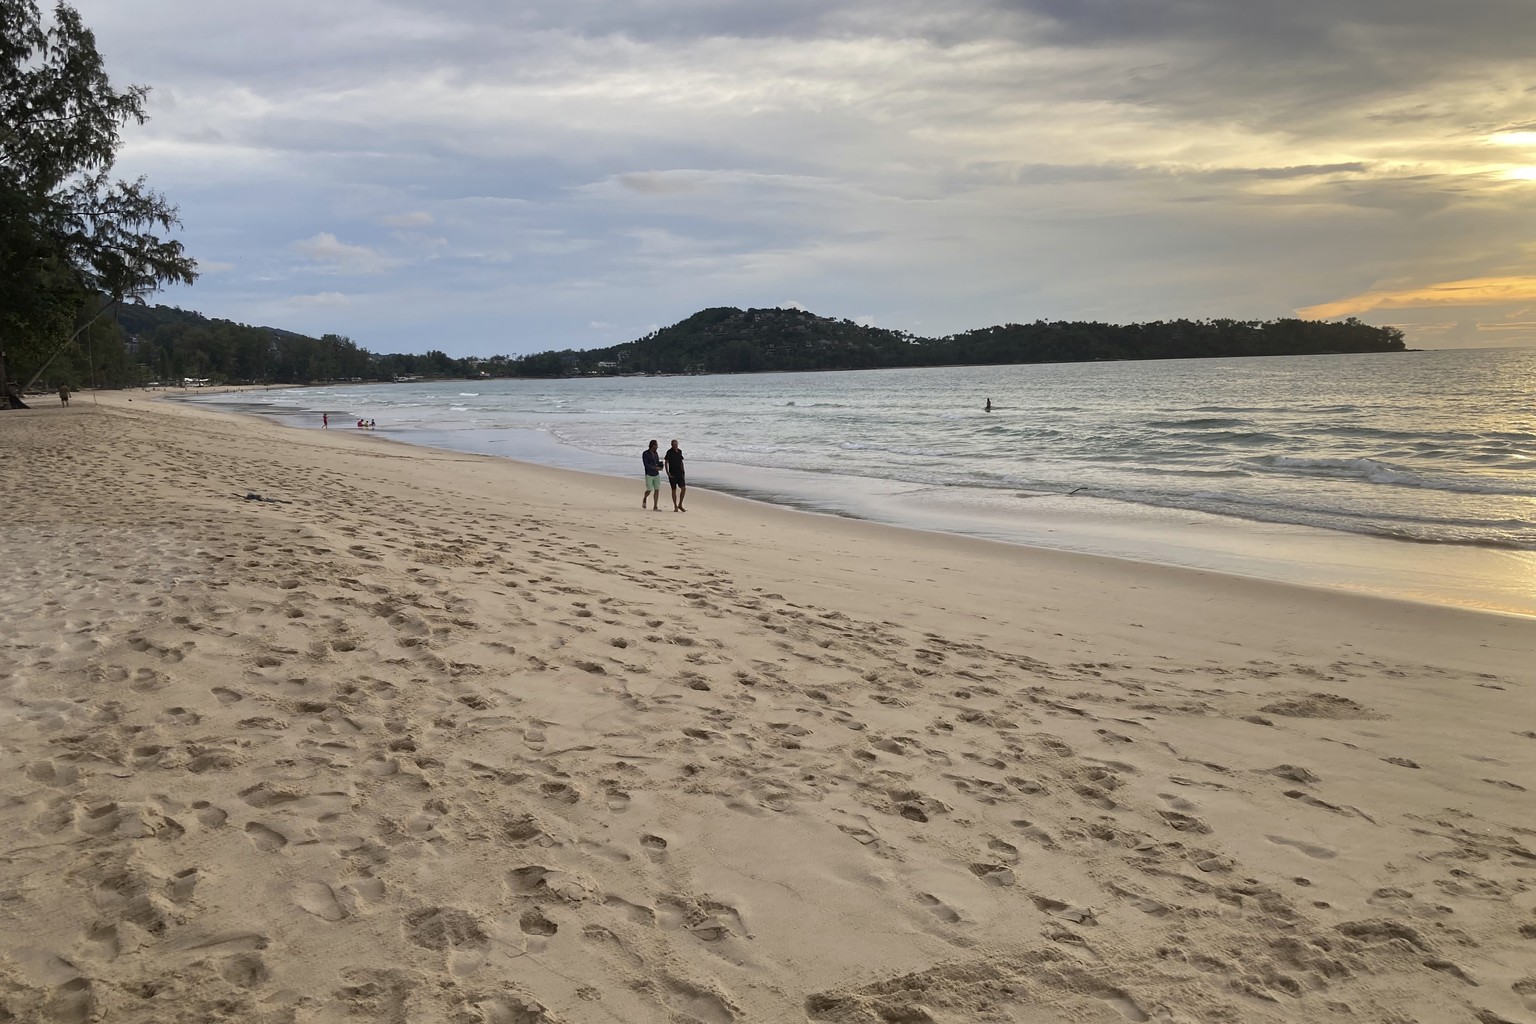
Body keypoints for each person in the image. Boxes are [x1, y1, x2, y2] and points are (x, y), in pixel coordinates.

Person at [664, 439, 687, 511]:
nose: (675, 446)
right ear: (671, 445)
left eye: (676, 444)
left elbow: (681, 462)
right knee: (674, 490)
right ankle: (675, 506)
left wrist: (683, 471)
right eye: (673, 444)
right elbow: (666, 462)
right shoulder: (669, 452)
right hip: (672, 473)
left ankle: (680, 504)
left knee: (683, 488)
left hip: (680, 473)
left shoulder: (680, 451)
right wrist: (668, 473)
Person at [641, 439, 663, 509]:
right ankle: (645, 498)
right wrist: (654, 468)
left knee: (657, 489)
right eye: (656, 445)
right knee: (649, 489)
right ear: (653, 445)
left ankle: (655, 506)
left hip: (656, 474)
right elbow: (646, 464)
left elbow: (656, 462)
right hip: (649, 474)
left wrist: (660, 466)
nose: (657, 447)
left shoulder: (656, 453)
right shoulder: (645, 453)